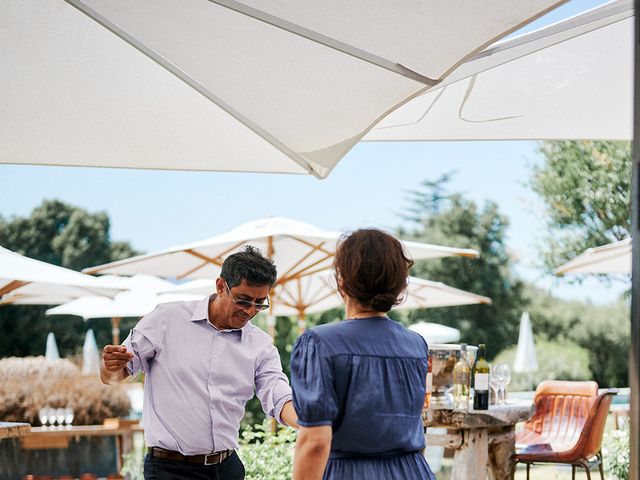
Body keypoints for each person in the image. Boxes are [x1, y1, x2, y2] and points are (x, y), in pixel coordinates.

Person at [101, 246, 297, 480]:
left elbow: (276, 392)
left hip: (227, 468)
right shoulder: (166, 319)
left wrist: (307, 420)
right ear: (220, 286)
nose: (250, 311)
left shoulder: (260, 344)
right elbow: (114, 375)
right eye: (243, 300)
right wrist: (110, 367)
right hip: (170, 469)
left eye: (259, 303)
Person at [290, 229, 435, 480]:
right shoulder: (417, 346)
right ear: (399, 284)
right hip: (414, 471)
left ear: (341, 281)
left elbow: (315, 442)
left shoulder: (319, 344)